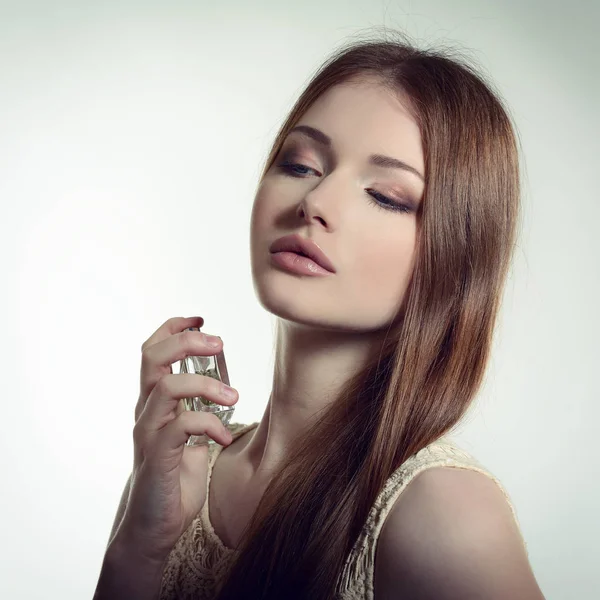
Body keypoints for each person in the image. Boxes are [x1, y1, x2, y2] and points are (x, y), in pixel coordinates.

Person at [94, 30, 546, 600]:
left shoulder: (444, 515)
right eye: (301, 164)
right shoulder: (183, 473)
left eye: (385, 195)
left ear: (456, 254)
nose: (315, 202)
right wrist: (139, 546)